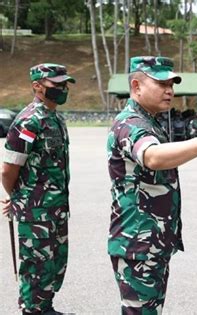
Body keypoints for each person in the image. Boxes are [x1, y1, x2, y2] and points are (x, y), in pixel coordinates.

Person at [106, 56, 197, 314]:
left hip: (152, 241)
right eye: (162, 84)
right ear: (137, 86)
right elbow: (153, 156)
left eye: (172, 85)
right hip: (137, 243)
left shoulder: (149, 121)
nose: (170, 91)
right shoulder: (130, 123)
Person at [1, 63, 75, 315]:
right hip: (35, 212)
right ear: (37, 86)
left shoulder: (55, 119)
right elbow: (8, 170)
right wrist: (18, 198)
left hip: (56, 209)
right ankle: (32, 310)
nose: (63, 89)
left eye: (65, 84)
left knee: (54, 264)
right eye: (57, 85)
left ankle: (45, 307)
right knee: (36, 266)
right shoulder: (28, 122)